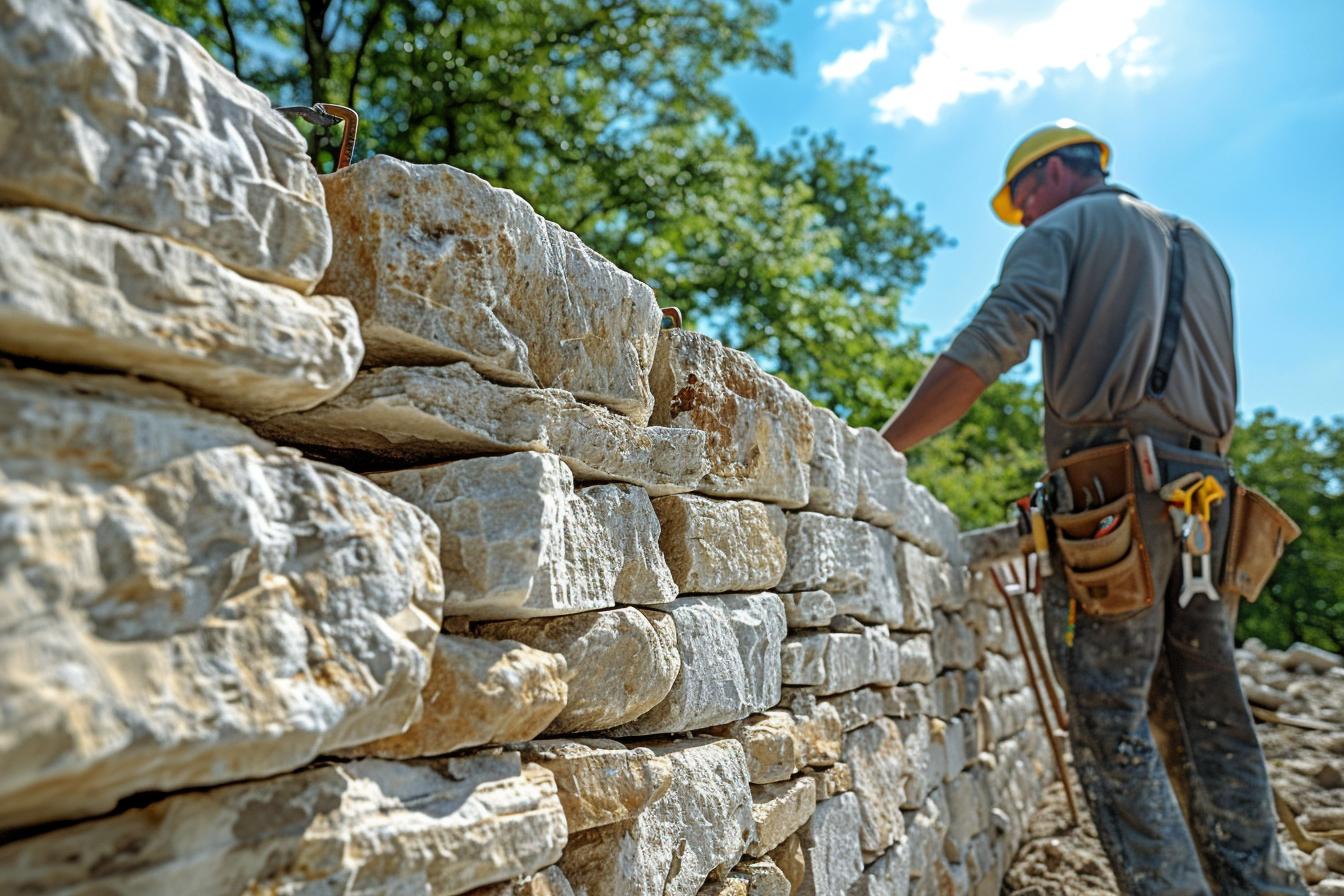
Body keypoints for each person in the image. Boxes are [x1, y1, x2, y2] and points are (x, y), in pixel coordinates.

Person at [881, 121, 1306, 896]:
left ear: (1046, 176)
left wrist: (888, 443)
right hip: (1209, 501)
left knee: (1110, 718)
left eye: (1020, 201)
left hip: (1113, 497)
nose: (1025, 218)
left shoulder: (1069, 226)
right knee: (1214, 718)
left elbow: (992, 338)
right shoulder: (1201, 246)